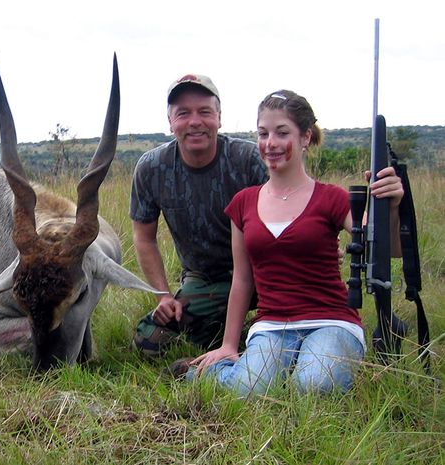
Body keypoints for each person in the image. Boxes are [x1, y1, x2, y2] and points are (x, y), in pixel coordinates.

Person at [174, 89, 404, 396]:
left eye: (282, 133)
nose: (271, 144)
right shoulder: (243, 204)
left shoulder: (332, 198)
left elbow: (385, 250)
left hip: (331, 321)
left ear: (306, 137)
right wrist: (229, 344)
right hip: (272, 326)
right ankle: (208, 372)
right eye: (263, 133)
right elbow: (242, 280)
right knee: (250, 390)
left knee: (314, 386)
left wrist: (391, 205)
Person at [129, 74, 268, 355]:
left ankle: (261, 325)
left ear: (219, 117)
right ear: (170, 123)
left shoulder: (248, 159)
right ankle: (228, 328)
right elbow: (144, 239)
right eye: (183, 114)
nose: (195, 122)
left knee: (281, 333)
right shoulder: (151, 168)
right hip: (205, 279)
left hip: (264, 270)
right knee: (149, 343)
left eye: (205, 112)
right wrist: (163, 296)